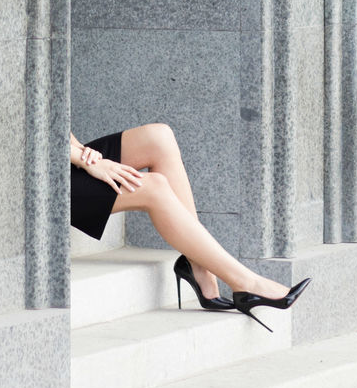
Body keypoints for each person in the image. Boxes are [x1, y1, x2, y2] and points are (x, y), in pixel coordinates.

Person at [69, 126, 310, 330]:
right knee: (155, 187)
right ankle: (245, 283)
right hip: (38, 182)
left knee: (159, 137)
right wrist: (80, 159)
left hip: (61, 155)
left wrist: (81, 150)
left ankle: (199, 267)